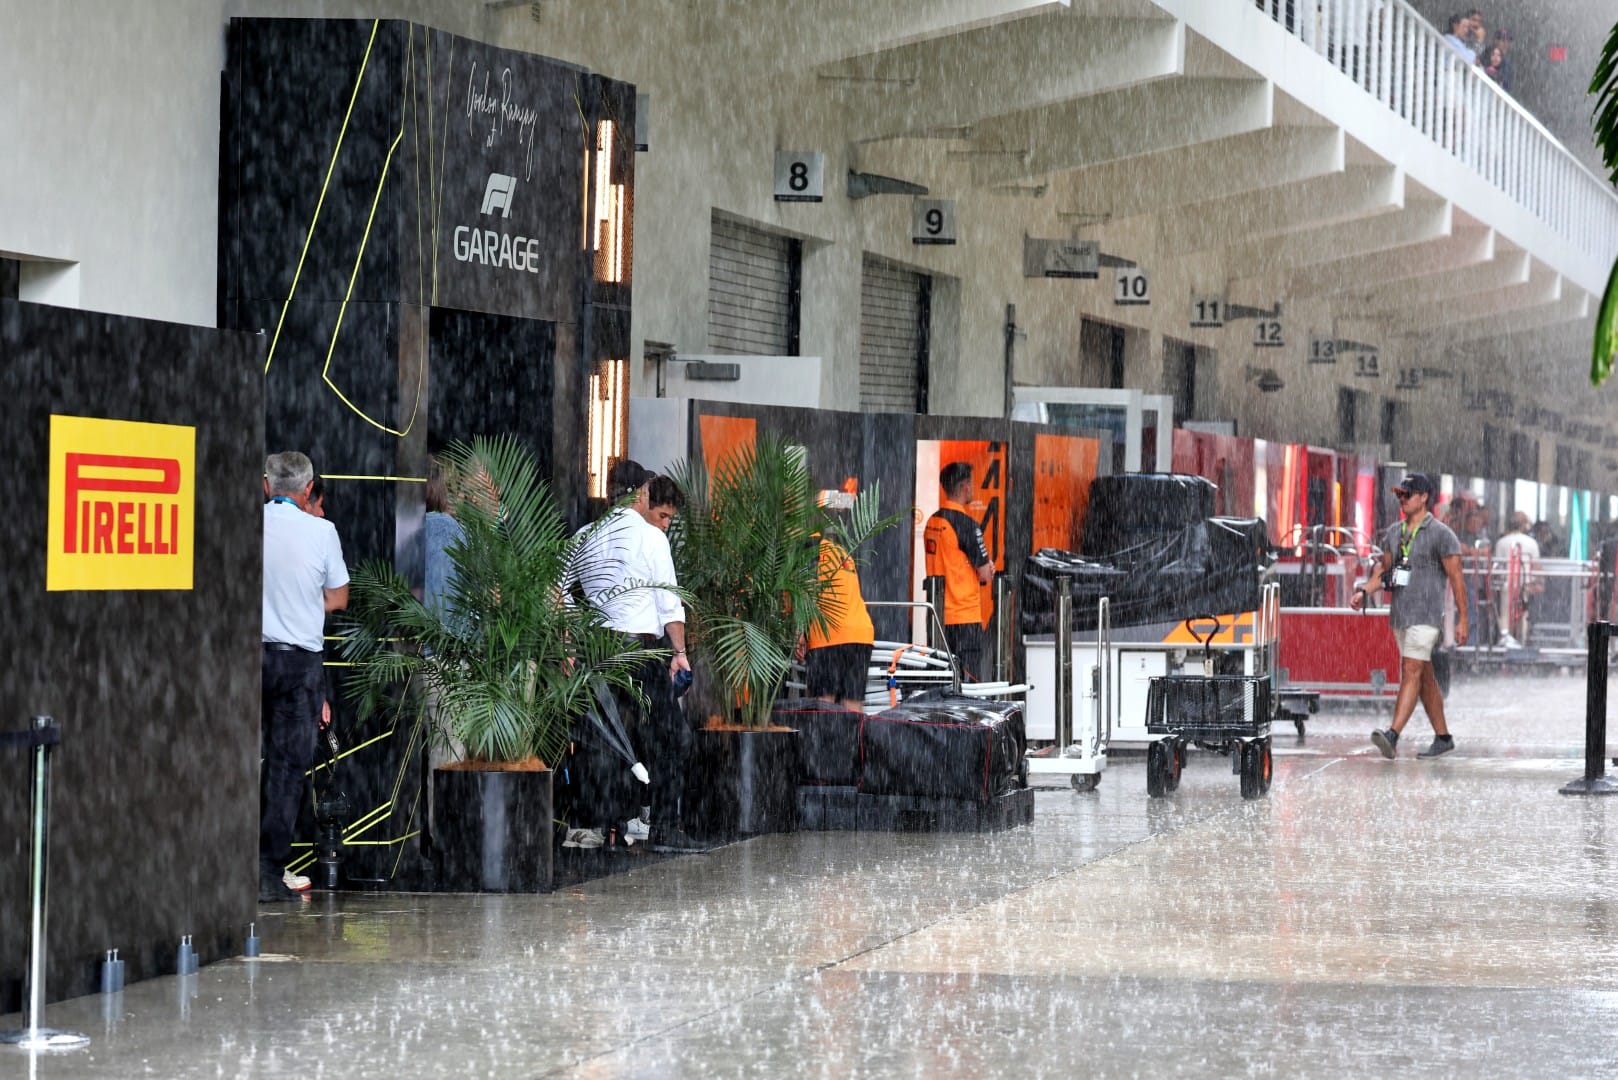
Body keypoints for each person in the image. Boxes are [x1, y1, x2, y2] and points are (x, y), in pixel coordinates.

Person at [565, 460, 702, 853]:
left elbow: (555, 589)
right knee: (670, 737)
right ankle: (663, 827)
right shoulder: (651, 538)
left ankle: (592, 826)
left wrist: (573, 633)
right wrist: (679, 653)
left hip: (597, 653)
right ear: (641, 493)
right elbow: (670, 604)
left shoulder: (584, 535)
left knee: (602, 739)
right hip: (639, 652)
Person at [261, 451, 349, 902]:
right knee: (287, 768)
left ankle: (229, 861)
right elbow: (338, 598)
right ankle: (267, 869)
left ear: (266, 486)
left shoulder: (251, 525)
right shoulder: (322, 531)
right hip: (299, 665)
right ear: (309, 490)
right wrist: (301, 603)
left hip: (250, 658)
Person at [1351, 472, 1468, 759]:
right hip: (1401, 615)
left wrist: (1463, 619)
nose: (1402, 499)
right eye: (1399, 495)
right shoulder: (1394, 533)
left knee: (1411, 670)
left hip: (1427, 616)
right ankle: (1443, 737)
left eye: (1407, 494)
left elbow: (1456, 579)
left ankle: (1392, 734)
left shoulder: (1442, 534)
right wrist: (1365, 591)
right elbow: (1386, 573)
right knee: (1424, 676)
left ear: (1424, 497)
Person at [924, 462, 993, 682]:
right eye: (971, 484)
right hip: (965, 617)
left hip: (938, 617)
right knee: (967, 684)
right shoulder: (966, 524)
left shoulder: (932, 522)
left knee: (940, 682)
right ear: (964, 487)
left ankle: (942, 717)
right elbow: (985, 574)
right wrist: (988, 567)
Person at [803, 532, 875, 713]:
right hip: (860, 634)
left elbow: (803, 592)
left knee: (823, 704)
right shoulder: (842, 552)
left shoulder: (809, 549)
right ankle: (852, 741)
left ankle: (824, 740)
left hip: (829, 633)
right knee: (852, 704)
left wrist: (799, 633)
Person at [1493, 511, 1539, 648]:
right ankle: (1522, 643)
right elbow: (1536, 565)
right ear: (1524, 525)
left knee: (1505, 615)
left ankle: (1506, 641)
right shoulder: (1532, 543)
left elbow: (1497, 565)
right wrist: (1535, 584)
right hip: (1525, 584)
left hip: (1506, 584)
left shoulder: (1501, 543)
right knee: (1524, 616)